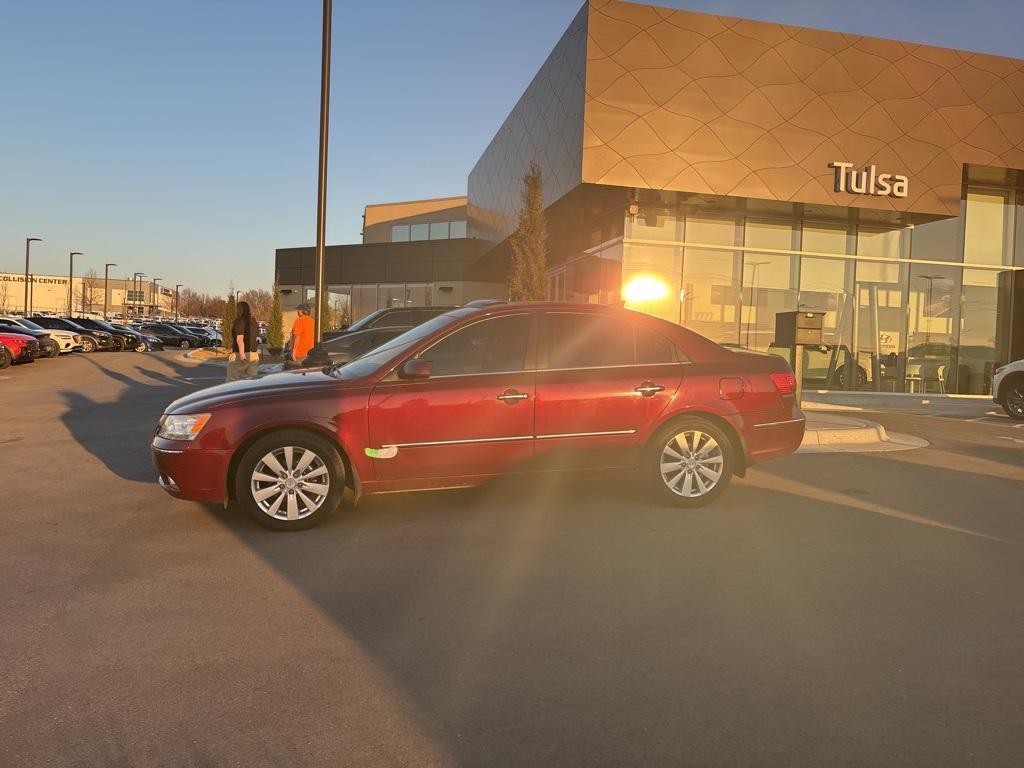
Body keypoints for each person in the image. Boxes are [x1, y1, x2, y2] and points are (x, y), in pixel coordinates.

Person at [226, 301, 260, 381]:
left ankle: (233, 393)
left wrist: (242, 354)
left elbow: (240, 338)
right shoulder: (254, 322)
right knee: (251, 382)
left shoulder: (239, 321)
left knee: (232, 379)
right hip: (254, 355)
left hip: (241, 354)